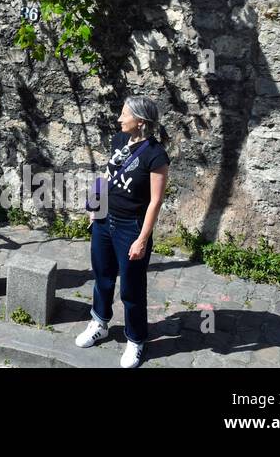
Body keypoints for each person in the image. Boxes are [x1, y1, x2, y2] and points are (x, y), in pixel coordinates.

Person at [74, 96, 170, 368]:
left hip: (131, 227)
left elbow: (155, 201)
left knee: (132, 287)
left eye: (124, 114)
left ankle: (136, 339)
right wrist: (95, 208)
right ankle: (100, 323)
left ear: (140, 121)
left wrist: (142, 239)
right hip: (104, 220)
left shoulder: (156, 155)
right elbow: (107, 176)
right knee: (102, 276)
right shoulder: (118, 141)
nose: (119, 119)